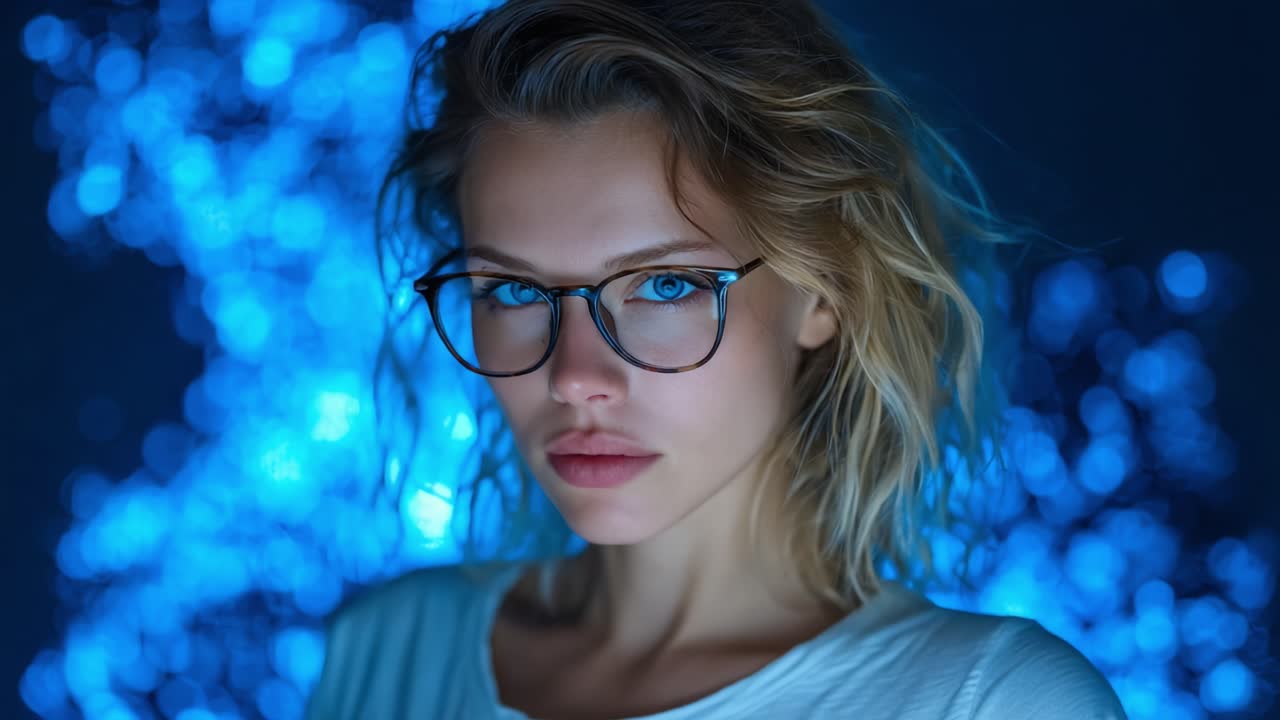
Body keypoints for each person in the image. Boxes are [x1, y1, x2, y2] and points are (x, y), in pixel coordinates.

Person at [305, 0, 1128, 718]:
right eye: (514, 292)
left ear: (824, 291)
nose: (576, 377)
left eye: (665, 285)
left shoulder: (991, 702)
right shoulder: (386, 652)